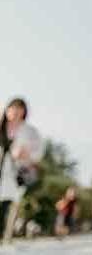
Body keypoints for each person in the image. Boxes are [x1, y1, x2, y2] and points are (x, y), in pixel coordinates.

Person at [0, 97, 43, 243]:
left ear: (24, 113)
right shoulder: (1, 127)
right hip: (2, 168)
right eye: (12, 109)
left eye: (19, 110)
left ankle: (7, 235)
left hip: (17, 171)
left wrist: (28, 154)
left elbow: (39, 151)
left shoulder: (30, 131)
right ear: (7, 110)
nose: (15, 113)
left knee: (12, 203)